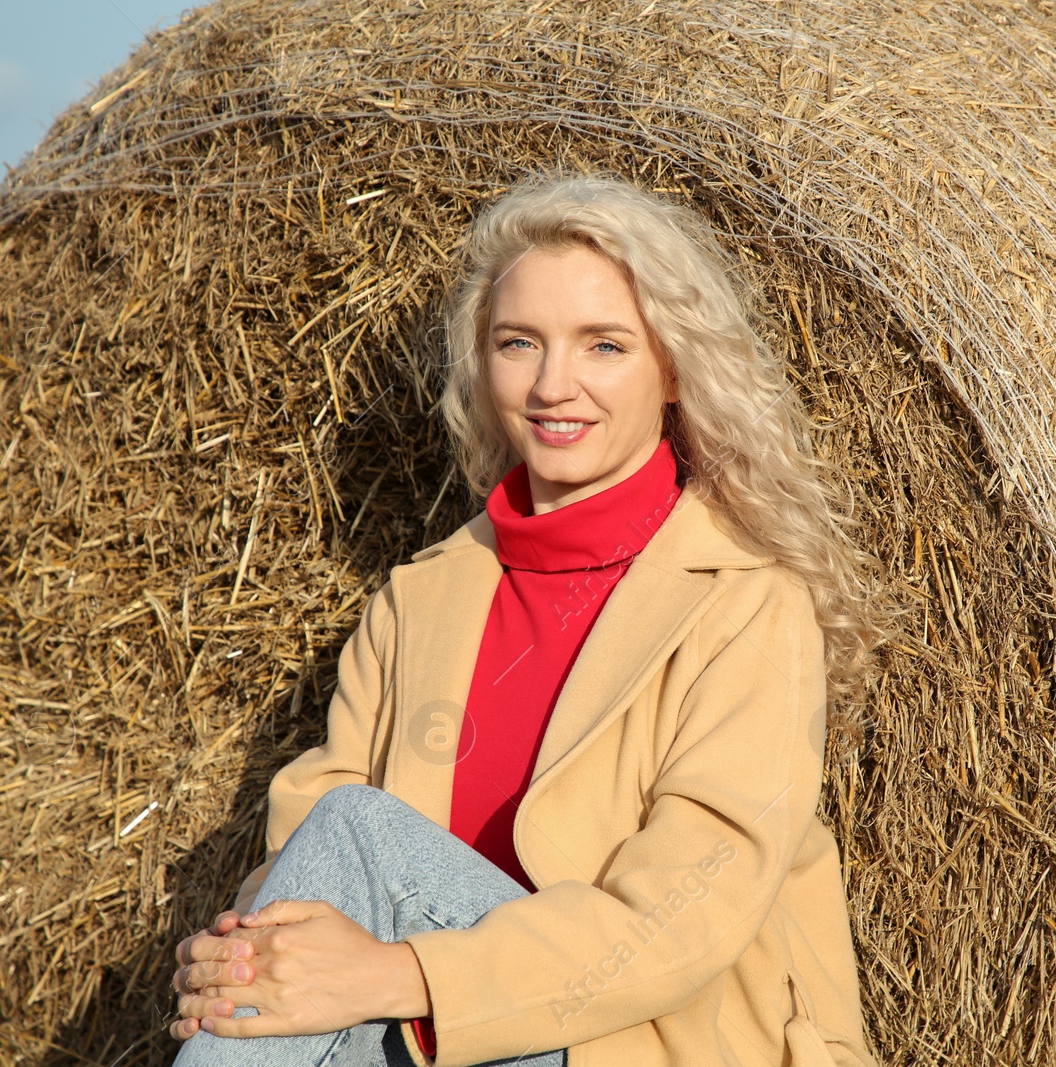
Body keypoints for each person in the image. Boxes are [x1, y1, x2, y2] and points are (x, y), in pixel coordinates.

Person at [166, 174, 884, 1066]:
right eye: (519, 343)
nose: (553, 385)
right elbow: (302, 848)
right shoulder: (420, 597)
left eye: (604, 345)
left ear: (672, 370)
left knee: (362, 831)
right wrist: (244, 957)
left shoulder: (746, 602)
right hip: (426, 1035)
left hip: (646, 1040)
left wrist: (398, 977)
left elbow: (676, 921)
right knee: (312, 876)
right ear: (483, 364)